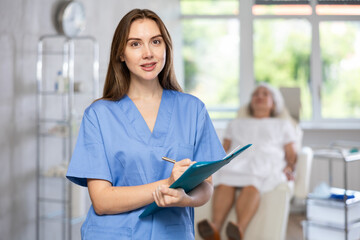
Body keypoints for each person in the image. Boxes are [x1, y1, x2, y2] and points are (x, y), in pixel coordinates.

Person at [66, 9, 225, 240]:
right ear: (121, 53)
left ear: (166, 47)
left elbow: (206, 186)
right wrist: (167, 184)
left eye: (155, 41)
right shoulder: (98, 115)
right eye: (135, 44)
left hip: (173, 233)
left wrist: (185, 199)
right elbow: (101, 201)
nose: (148, 53)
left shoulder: (193, 110)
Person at [197, 83, 298, 240]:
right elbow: (223, 149)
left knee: (253, 181)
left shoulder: (283, 124)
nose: (259, 96)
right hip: (238, 160)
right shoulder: (236, 123)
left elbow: (291, 152)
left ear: (274, 103)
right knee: (224, 181)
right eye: (256, 94)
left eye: (265, 94)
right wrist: (211, 165)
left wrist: (290, 167)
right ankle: (214, 228)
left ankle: (239, 229)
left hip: (266, 162)